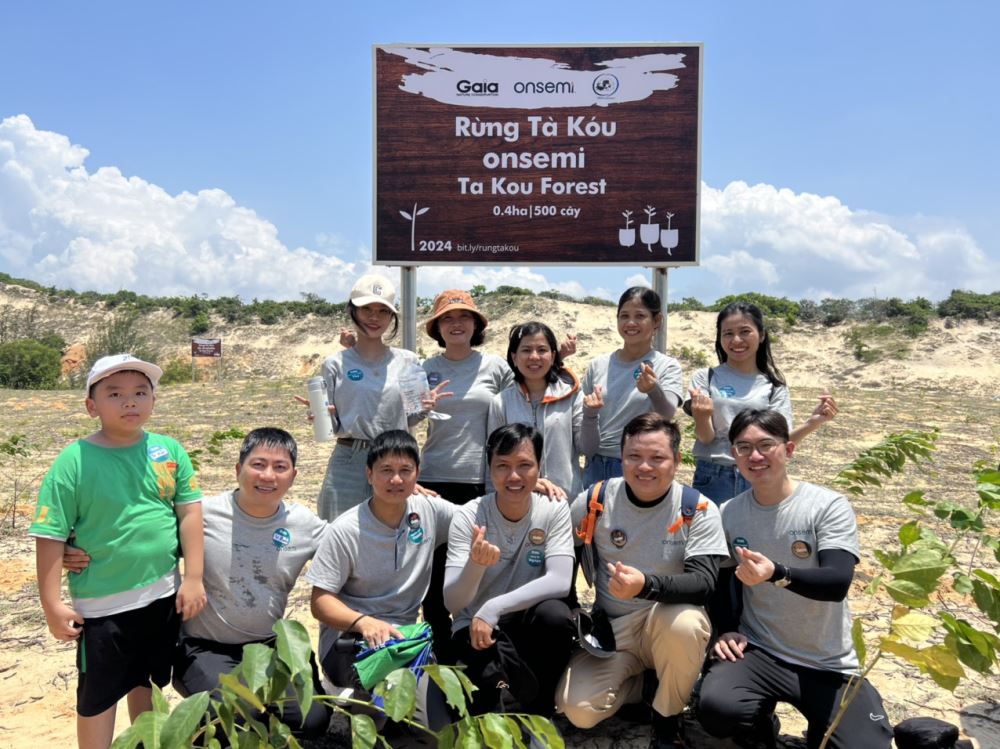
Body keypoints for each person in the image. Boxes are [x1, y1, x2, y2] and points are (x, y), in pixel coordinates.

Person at [64, 427, 332, 741]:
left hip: (269, 646)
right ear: (238, 469)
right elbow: (140, 532)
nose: (268, 476)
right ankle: (201, 723)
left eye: (280, 467)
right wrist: (72, 544)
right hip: (204, 647)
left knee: (313, 720)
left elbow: (350, 547)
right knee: (235, 711)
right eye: (258, 464)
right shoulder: (202, 514)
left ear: (294, 476)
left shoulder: (304, 525)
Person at [30, 354, 205, 749]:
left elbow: (189, 513)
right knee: (98, 696)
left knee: (149, 684)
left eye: (140, 392)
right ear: (91, 406)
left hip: (162, 595)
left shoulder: (169, 451)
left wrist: (193, 577)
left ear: (153, 401)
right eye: (114, 393)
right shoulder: (74, 461)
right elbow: (49, 533)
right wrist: (51, 604)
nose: (130, 401)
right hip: (102, 607)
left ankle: (147, 743)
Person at [697, 408, 893, 749]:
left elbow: (837, 582)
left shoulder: (827, 506)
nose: (755, 456)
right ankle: (759, 725)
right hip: (759, 649)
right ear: (734, 455)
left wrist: (778, 573)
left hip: (826, 661)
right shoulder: (729, 513)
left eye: (765, 445)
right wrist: (726, 628)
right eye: (744, 447)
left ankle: (820, 730)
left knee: (865, 746)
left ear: (788, 450)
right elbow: (724, 582)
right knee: (717, 709)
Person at [557, 413, 728, 748]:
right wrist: (572, 605)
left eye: (657, 458)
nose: (644, 467)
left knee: (685, 623)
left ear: (676, 460)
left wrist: (646, 585)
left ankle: (667, 719)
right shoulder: (595, 500)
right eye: (634, 456)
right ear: (621, 458)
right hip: (615, 627)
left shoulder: (696, 508)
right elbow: (565, 552)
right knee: (578, 710)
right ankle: (650, 684)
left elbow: (704, 583)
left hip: (667, 623)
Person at [307, 430, 455, 737]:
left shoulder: (428, 510)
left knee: (433, 732)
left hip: (405, 642)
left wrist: (525, 487)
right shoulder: (346, 529)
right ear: (369, 474)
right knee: (398, 724)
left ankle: (373, 712)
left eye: (405, 471)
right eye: (386, 470)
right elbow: (320, 602)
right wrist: (363, 622)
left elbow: (480, 514)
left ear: (417, 474)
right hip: (348, 641)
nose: (396, 480)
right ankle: (364, 708)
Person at [444, 423, 576, 718]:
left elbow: (560, 581)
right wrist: (476, 565)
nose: (514, 476)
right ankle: (509, 689)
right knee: (487, 710)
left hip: (524, 621)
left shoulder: (553, 509)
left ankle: (541, 712)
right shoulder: (469, 516)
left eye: (524, 465)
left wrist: (495, 607)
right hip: (476, 628)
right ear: (489, 470)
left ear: (540, 467)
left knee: (556, 616)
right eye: (502, 466)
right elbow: (453, 602)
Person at [307, 273, 450, 521]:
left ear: (392, 317)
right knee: (338, 530)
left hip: (394, 460)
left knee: (393, 532)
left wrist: (425, 408)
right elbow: (332, 427)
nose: (374, 317)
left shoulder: (408, 361)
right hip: (349, 462)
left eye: (383, 311)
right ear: (352, 311)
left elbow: (411, 418)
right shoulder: (335, 364)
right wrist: (321, 418)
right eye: (367, 309)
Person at [687, 300, 838, 504]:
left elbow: (779, 441)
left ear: (762, 335)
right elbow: (706, 438)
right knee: (710, 526)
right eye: (728, 333)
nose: (736, 340)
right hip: (714, 476)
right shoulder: (705, 377)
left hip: (759, 474)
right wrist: (702, 415)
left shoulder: (774, 385)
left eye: (745, 332)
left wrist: (813, 423)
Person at [580, 287, 684, 484]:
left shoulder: (667, 366)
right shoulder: (598, 365)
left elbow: (667, 413)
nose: (630, 323)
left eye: (640, 316)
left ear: (657, 321)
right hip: (595, 465)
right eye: (624, 316)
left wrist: (653, 390)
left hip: (640, 465)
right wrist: (589, 413)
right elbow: (583, 422)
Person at [488, 322, 583, 498]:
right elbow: (494, 458)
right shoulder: (501, 402)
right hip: (517, 499)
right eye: (526, 350)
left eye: (542, 350)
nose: (534, 356)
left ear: (553, 356)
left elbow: (586, 448)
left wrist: (591, 415)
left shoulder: (572, 395)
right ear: (514, 357)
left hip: (565, 498)